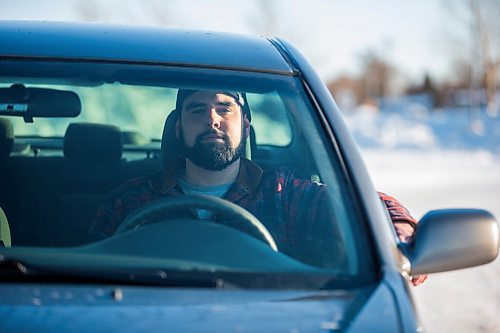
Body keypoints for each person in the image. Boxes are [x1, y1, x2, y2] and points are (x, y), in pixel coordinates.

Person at [90, 89, 426, 285]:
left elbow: (363, 203)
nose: (212, 119)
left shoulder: (283, 193)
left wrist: (398, 229)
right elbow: (87, 286)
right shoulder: (130, 200)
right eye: (197, 110)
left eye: (225, 109)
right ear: (178, 128)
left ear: (246, 126)